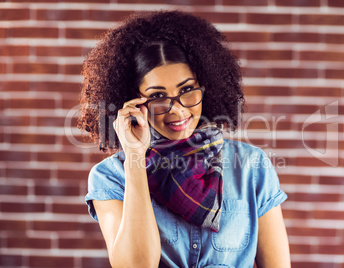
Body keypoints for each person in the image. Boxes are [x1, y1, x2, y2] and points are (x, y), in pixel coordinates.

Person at [78, 10, 290, 268]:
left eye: (187, 90)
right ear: (133, 101)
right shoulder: (111, 176)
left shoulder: (251, 167)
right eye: (157, 96)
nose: (177, 110)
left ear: (205, 85)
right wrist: (135, 157)